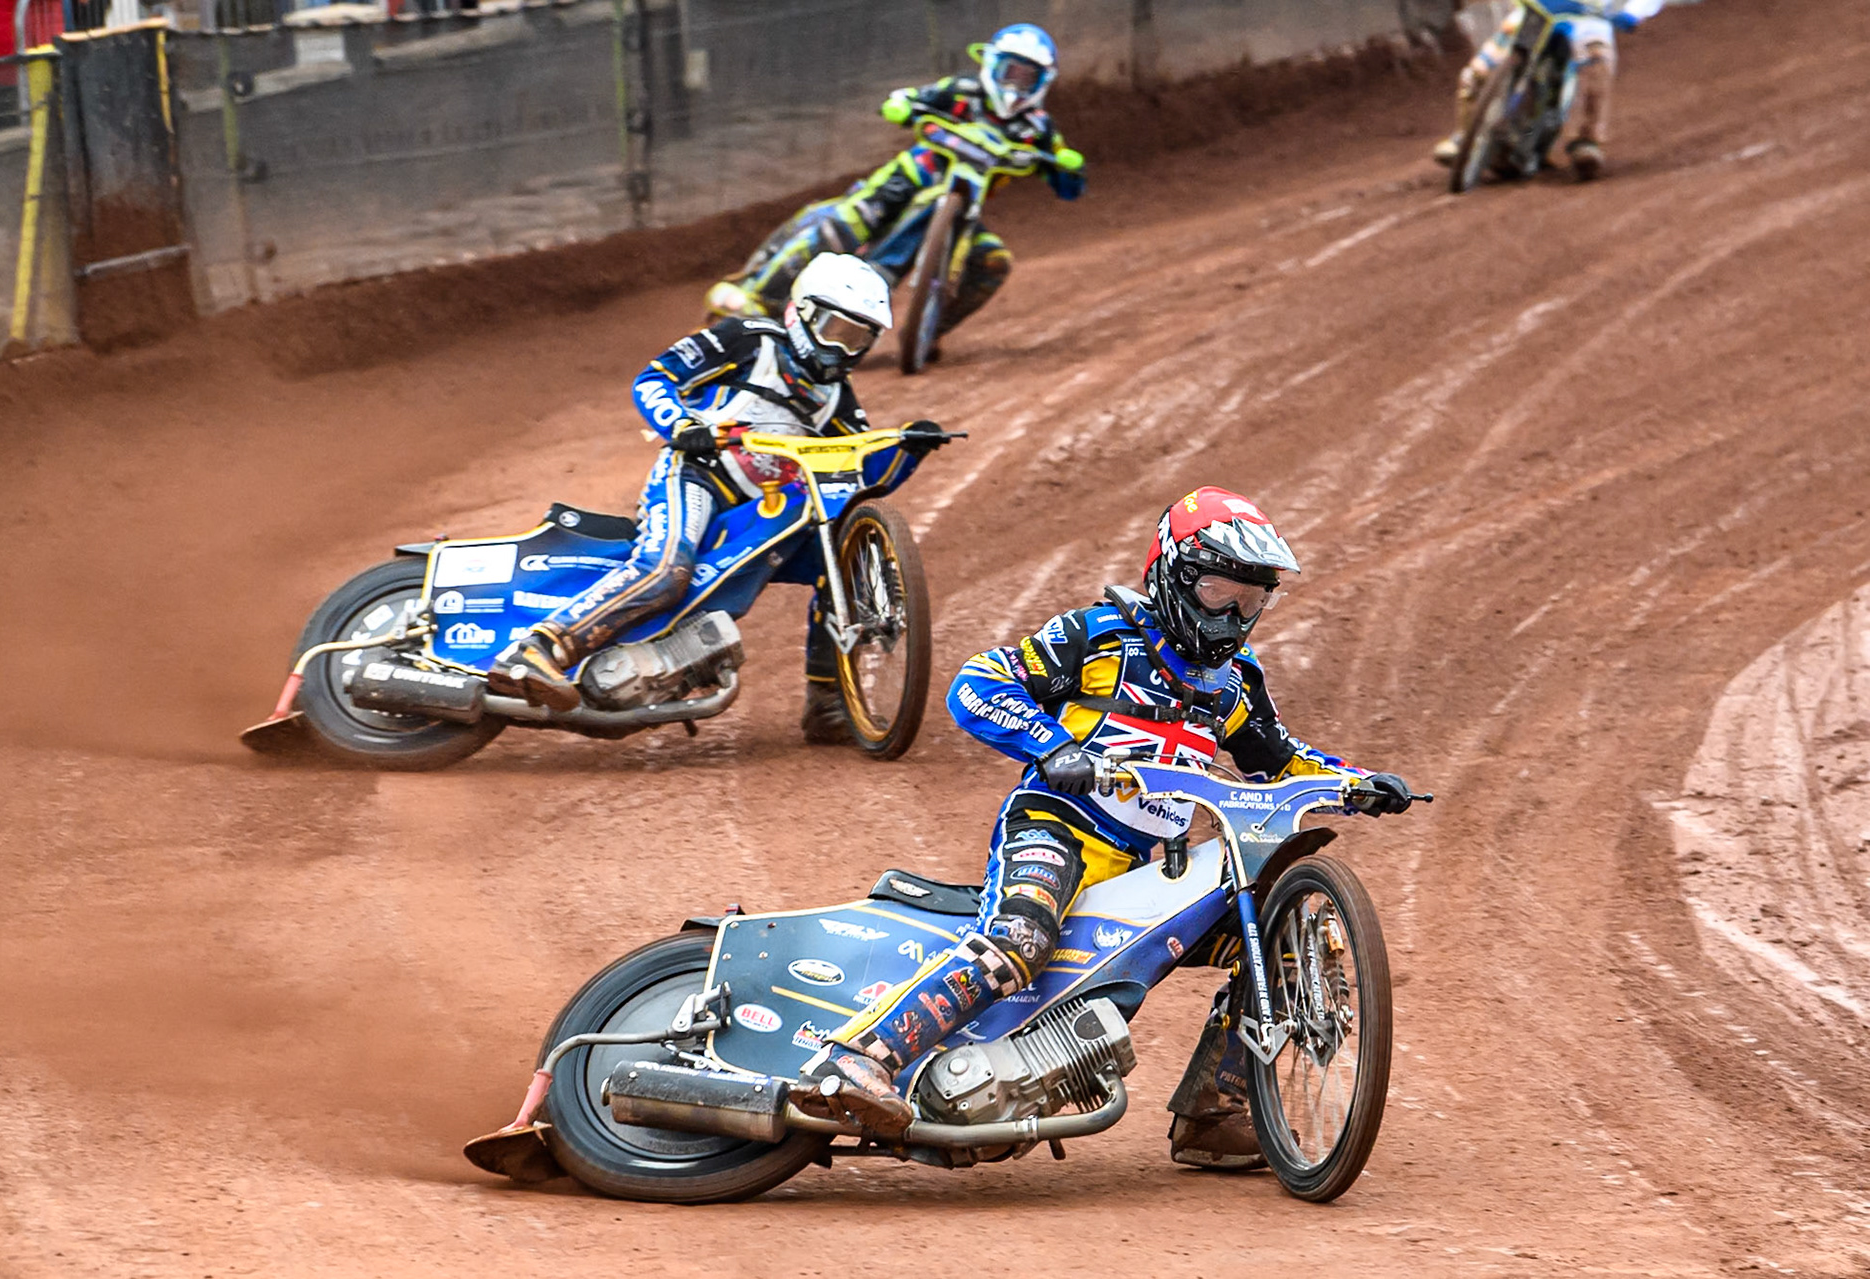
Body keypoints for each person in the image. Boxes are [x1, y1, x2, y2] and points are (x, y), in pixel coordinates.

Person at [795, 487, 1417, 1167]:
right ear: (1173, 573)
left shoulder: (1235, 683)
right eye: (1218, 592)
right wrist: (1052, 746)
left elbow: (1281, 756)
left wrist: (1357, 783)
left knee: (1279, 940)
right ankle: (855, 1059)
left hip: (1143, 866)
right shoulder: (1100, 636)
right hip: (1056, 825)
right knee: (1021, 938)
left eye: (1249, 600)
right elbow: (977, 682)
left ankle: (1216, 1113)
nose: (1232, 616)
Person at [487, 254, 950, 739]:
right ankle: (537, 650)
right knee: (666, 571)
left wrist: (907, 451)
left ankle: (828, 702)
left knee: (839, 555)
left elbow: (853, 477)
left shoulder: (839, 399)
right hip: (695, 477)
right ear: (801, 313)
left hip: (755, 511)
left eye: (859, 339)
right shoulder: (746, 337)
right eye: (836, 331)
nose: (844, 350)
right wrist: (682, 425)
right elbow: (655, 378)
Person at [706, 23, 1085, 351]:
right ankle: (757, 297)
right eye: (1011, 71)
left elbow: (1069, 185)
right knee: (844, 224)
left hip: (961, 208)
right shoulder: (961, 92)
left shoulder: (1036, 128)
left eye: (1026, 77)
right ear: (992, 64)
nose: (1015, 83)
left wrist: (1068, 166)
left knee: (994, 261)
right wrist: (902, 103)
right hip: (908, 179)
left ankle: (930, 327)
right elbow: (914, 99)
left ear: (1042, 81)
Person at [1433, 0, 1664, 180]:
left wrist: (1634, 12)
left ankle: (1586, 139)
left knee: (1597, 60)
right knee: (1480, 70)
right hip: (1537, 8)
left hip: (1589, 16)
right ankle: (1467, 135)